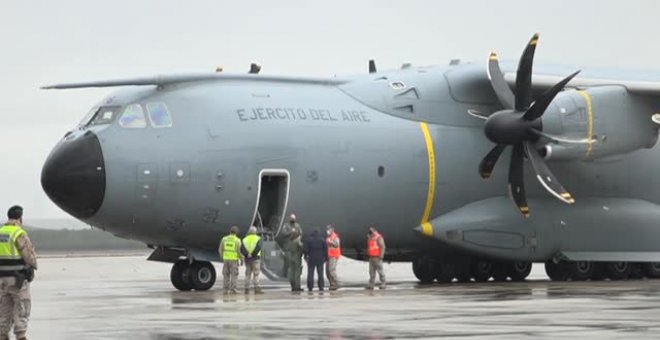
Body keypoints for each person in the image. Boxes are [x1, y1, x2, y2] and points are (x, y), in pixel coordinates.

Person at [0, 205, 37, 340]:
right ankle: (21, 336)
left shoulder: (1, 232)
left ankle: (3, 335)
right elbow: (28, 254)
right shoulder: (18, 233)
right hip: (17, 279)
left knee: (4, 310)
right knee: (22, 307)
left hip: (2, 280)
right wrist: (33, 267)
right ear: (20, 218)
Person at [280, 213, 303, 291]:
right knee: (291, 269)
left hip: (296, 250)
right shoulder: (286, 226)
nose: (293, 219)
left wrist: (298, 237)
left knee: (297, 270)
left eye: (294, 218)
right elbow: (283, 234)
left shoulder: (297, 225)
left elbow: (300, 233)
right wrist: (291, 232)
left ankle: (297, 286)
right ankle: (293, 285)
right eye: (292, 218)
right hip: (289, 250)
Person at [218, 226, 242, 295]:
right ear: (236, 233)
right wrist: (242, 258)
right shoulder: (237, 240)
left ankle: (225, 290)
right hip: (233, 260)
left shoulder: (224, 239)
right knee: (234, 275)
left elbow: (220, 250)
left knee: (226, 275)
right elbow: (238, 251)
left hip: (226, 260)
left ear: (230, 232)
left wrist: (222, 257)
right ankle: (233, 289)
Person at [240, 226, 263, 294]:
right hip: (255, 259)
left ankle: (246, 289)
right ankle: (257, 289)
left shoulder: (244, 239)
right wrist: (253, 254)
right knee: (256, 274)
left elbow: (242, 249)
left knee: (247, 274)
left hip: (248, 259)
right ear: (255, 232)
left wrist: (247, 254)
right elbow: (259, 247)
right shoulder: (258, 238)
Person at [325, 224, 341, 290]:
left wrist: (330, 242)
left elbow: (337, 244)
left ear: (332, 229)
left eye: (329, 229)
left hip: (334, 255)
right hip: (329, 255)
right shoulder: (328, 237)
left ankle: (337, 283)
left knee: (331, 270)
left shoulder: (335, 237)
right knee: (327, 271)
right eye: (327, 229)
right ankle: (332, 284)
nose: (327, 230)